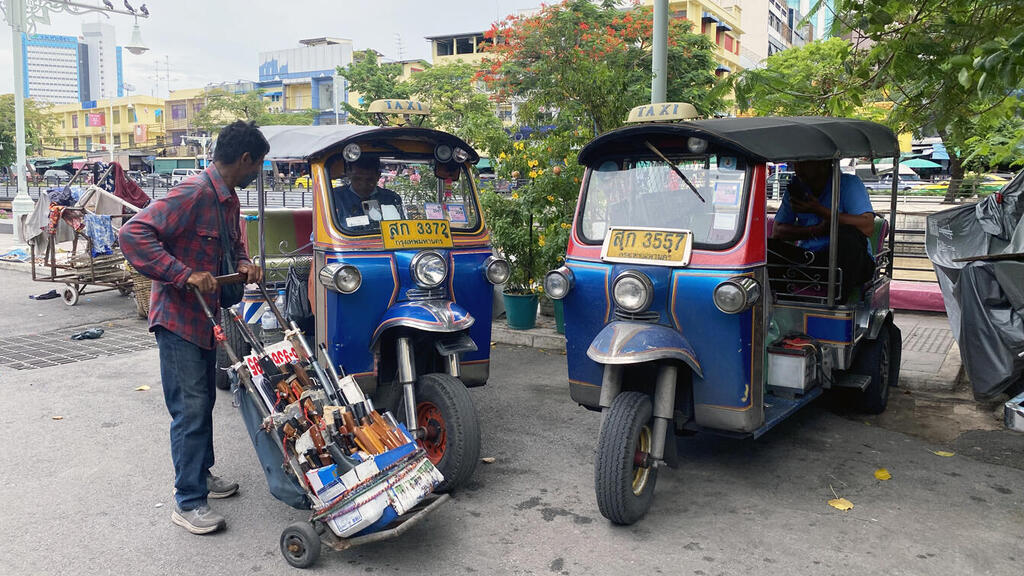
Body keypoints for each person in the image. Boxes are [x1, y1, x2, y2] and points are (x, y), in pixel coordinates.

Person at [119, 120, 267, 535]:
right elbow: (133, 234)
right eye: (259, 164)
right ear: (245, 159)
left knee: (203, 403)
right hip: (177, 319)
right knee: (190, 409)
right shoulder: (193, 192)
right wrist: (182, 274)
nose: (259, 172)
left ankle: (201, 473)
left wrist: (244, 264)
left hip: (206, 316)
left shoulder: (227, 199)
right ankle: (188, 501)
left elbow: (233, 245)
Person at [769, 159, 876, 298]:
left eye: (804, 162)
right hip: (812, 259)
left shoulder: (848, 183)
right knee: (767, 248)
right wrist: (816, 230)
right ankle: (779, 302)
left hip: (850, 262)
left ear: (824, 164)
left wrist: (818, 210)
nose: (798, 168)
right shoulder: (796, 189)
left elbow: (867, 227)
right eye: (796, 163)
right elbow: (777, 231)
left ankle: (837, 302)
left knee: (848, 235)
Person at [331, 156, 404, 226]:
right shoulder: (334, 197)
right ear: (349, 175)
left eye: (369, 179)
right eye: (357, 179)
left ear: (378, 176)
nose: (363, 184)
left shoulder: (391, 198)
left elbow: (400, 226)